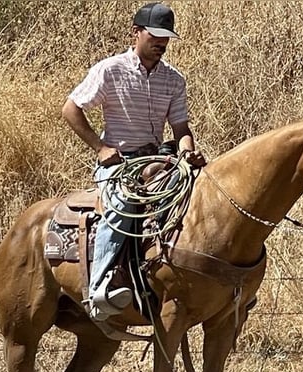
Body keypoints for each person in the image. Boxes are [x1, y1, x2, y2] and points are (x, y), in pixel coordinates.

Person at [62, 2, 206, 321]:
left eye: (165, 37)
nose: (161, 43)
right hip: (119, 163)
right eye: (155, 35)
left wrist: (187, 152)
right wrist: (100, 148)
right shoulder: (109, 69)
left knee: (197, 195)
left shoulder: (173, 80)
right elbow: (71, 108)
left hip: (158, 160)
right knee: (123, 202)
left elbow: (181, 128)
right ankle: (99, 288)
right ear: (136, 33)